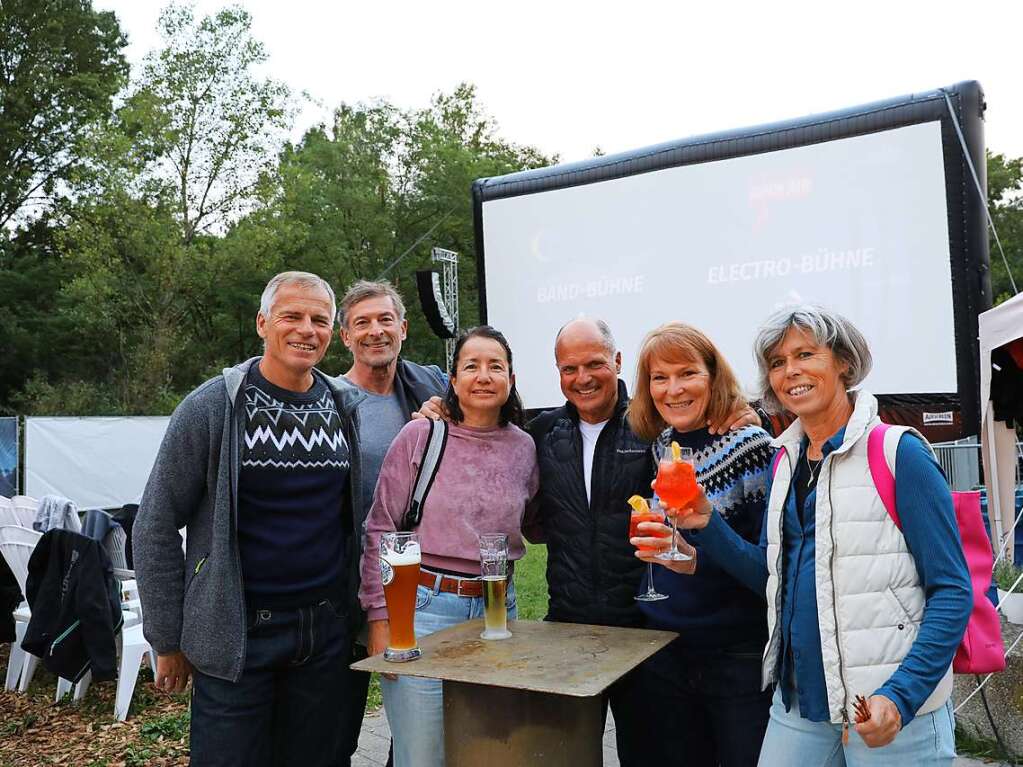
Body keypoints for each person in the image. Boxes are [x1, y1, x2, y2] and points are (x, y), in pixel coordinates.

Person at [650, 305, 972, 764]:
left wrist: (902, 696)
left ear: (843, 362)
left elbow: (953, 590)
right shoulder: (784, 461)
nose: (791, 371)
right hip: (800, 702)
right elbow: (768, 574)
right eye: (778, 363)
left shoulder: (899, 454)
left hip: (886, 706)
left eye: (805, 354)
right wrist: (707, 521)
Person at [134, 271, 364, 767]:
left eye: (320, 320)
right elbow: (154, 522)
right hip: (237, 634)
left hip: (324, 632)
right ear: (262, 323)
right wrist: (167, 637)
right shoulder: (213, 407)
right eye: (292, 316)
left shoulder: (341, 405)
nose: (307, 329)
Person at [523, 317, 761, 765]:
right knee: (567, 754)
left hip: (646, 633)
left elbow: (703, 428)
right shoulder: (543, 433)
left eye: (594, 364)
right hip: (571, 628)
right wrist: (437, 406)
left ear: (616, 362)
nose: (582, 378)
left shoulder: (651, 428)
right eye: (568, 368)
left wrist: (750, 412)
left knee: (648, 753)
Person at [359, 326, 538, 767]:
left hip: (499, 611)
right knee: (422, 756)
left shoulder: (525, 447)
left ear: (511, 380)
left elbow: (534, 521)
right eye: (471, 366)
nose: (483, 375)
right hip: (423, 608)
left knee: (489, 749)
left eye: (495, 366)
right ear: (453, 380)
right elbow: (380, 527)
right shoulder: (421, 436)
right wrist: (379, 618)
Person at [626, 322, 774, 767]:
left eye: (687, 373)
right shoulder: (664, 447)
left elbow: (769, 568)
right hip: (667, 646)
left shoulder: (752, 447)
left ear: (713, 376)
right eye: (659, 378)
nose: (673, 389)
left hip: (734, 654)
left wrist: (694, 560)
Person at [334, 279, 448, 766]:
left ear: (403, 328)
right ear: (345, 337)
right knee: (336, 729)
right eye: (362, 322)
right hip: (340, 588)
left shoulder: (432, 389)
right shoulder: (328, 401)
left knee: (416, 727)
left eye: (385, 320)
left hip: (412, 588)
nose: (375, 331)